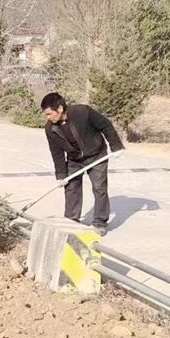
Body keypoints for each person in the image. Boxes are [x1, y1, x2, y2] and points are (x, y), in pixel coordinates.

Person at [40, 92, 124, 236]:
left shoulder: (83, 112)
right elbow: (56, 152)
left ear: (59, 109)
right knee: (71, 187)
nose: (48, 117)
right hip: (74, 159)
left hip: (96, 155)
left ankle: (100, 222)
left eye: (49, 114)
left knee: (99, 187)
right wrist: (61, 175)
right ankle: (71, 220)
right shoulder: (50, 129)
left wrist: (116, 146)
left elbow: (105, 125)